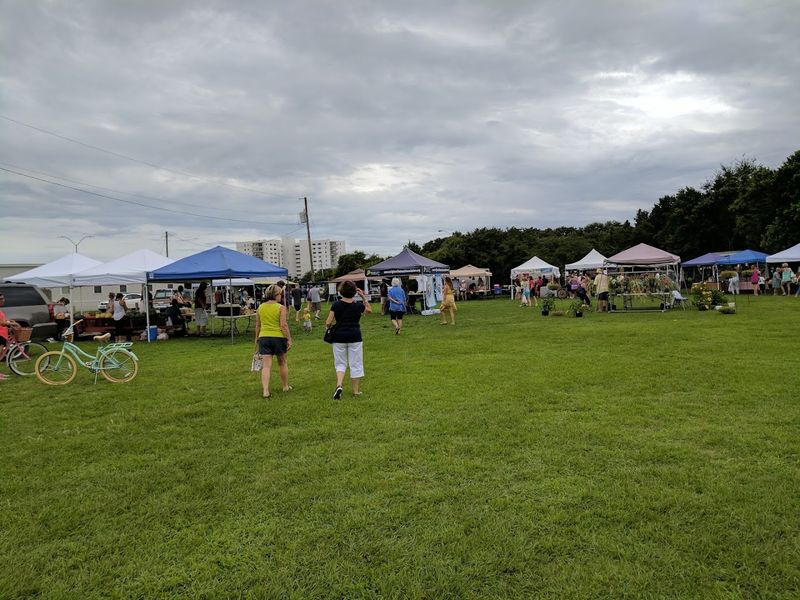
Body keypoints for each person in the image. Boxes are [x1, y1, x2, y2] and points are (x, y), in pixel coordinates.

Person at [326, 281, 371, 399]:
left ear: (341, 291)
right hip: (355, 336)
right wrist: (363, 298)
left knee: (340, 364)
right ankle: (356, 391)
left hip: (339, 337)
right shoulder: (358, 306)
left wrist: (329, 328)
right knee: (355, 363)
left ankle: (339, 385)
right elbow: (368, 311)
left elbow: (328, 322)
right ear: (354, 292)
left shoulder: (336, 305)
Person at [254, 284, 293, 399]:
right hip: (278, 338)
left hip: (264, 337)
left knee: (266, 366)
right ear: (276, 295)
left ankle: (265, 391)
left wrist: (257, 338)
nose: (281, 296)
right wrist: (289, 338)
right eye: (280, 294)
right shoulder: (281, 308)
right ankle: (285, 386)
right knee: (282, 362)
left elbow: (258, 325)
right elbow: (283, 325)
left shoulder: (260, 307)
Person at [0, 293, 21, 377]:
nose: (3, 300)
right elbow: (1, 322)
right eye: (1, 299)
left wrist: (10, 322)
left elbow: (2, 320)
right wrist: (13, 324)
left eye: (3, 298)